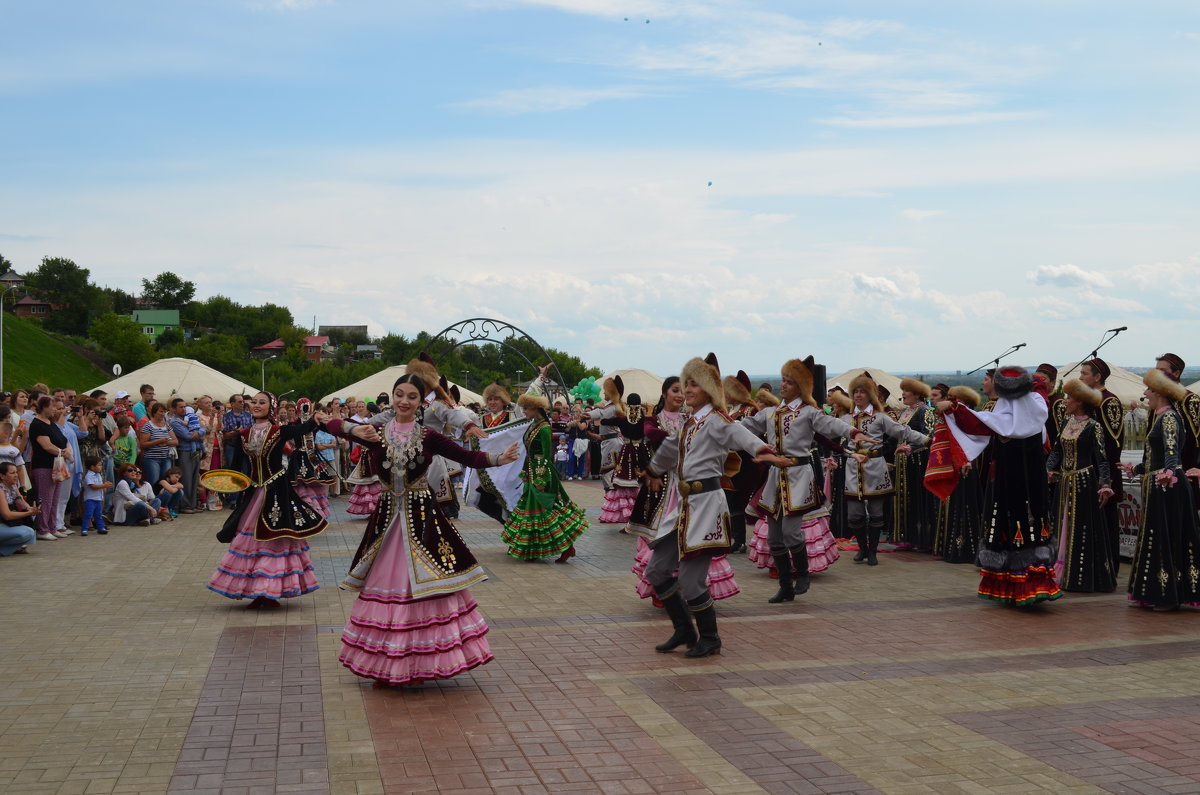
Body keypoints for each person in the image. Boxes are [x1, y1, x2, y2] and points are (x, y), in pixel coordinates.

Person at [323, 373, 520, 686]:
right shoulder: (374, 432)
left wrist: (499, 458)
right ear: (392, 396)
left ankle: (418, 663)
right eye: (399, 394)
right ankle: (384, 662)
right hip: (387, 519)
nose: (404, 401)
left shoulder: (428, 436)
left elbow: (467, 456)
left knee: (424, 587)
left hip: (423, 518)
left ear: (420, 402)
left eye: (411, 396)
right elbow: (327, 424)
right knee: (387, 587)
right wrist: (350, 427)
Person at [643, 354, 778, 658]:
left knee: (691, 581)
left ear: (707, 388)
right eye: (685, 383)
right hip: (684, 507)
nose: (687, 389)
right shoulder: (689, 423)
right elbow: (668, 449)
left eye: (693, 384)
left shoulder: (717, 420)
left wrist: (762, 449)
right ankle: (683, 629)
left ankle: (710, 637)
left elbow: (739, 434)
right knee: (657, 570)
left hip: (705, 508)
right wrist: (652, 470)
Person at [739, 357, 865, 601]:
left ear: (800, 387)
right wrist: (721, 423)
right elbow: (745, 427)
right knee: (774, 536)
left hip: (799, 476)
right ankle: (785, 585)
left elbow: (830, 425)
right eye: (783, 380)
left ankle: (803, 574)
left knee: (791, 532)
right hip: (776, 476)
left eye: (789, 381)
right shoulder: (769, 413)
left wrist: (853, 431)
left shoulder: (809, 412)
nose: (783, 385)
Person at [938, 366, 1060, 607]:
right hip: (1028, 483)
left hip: (1011, 481)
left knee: (1016, 526)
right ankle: (1025, 587)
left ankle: (1020, 588)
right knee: (1028, 526)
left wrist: (952, 408)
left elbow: (975, 423)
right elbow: (1038, 390)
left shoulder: (1008, 414)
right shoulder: (1036, 407)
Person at [206, 392, 328, 609]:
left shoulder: (278, 431)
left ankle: (269, 593)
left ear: (270, 408)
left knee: (273, 539)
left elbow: (300, 429)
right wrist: (226, 483)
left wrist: (313, 420)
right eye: (254, 402)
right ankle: (256, 592)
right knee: (250, 540)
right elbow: (236, 466)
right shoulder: (244, 434)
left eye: (262, 403)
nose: (256, 405)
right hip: (254, 493)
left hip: (276, 491)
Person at [1125, 369, 1200, 611]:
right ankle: (1156, 591)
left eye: (1149, 389)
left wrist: (1168, 474)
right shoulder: (1160, 416)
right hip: (1161, 482)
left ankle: (1168, 595)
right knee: (1157, 537)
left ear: (1160, 392)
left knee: (1166, 537)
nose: (1145, 392)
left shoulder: (1168, 418)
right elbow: (1154, 456)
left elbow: (1170, 451)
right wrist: (1136, 469)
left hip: (1167, 486)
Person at [842, 373, 930, 566]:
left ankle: (872, 552)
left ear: (870, 395)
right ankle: (863, 548)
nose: (858, 395)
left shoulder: (880, 417)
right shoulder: (847, 418)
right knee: (854, 514)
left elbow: (902, 431)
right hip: (853, 468)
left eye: (862, 391)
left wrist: (925, 439)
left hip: (875, 467)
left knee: (875, 512)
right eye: (855, 391)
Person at [500, 388, 588, 562]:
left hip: (543, 474)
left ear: (535, 409)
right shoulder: (534, 425)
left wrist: (540, 478)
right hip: (533, 472)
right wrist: (526, 471)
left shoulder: (544, 428)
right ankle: (530, 547)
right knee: (532, 511)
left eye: (526, 408)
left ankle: (567, 547)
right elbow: (530, 452)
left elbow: (545, 456)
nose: (524, 411)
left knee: (548, 512)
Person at [1046, 379, 1116, 592]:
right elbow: (1057, 451)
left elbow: (1102, 459)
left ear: (1080, 402)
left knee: (1081, 528)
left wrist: (1105, 484)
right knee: (1062, 524)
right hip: (1065, 482)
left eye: (1070, 399)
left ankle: (1080, 576)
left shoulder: (1094, 427)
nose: (1066, 402)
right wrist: (1049, 468)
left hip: (1083, 482)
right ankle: (1062, 572)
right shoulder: (1067, 423)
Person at [932, 386, 984, 564]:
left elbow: (970, 441)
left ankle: (963, 549)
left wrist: (965, 460)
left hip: (965, 465)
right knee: (954, 504)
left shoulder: (965, 417)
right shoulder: (952, 417)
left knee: (964, 505)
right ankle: (951, 547)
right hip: (954, 464)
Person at [892, 378, 938, 552]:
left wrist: (910, 447)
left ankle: (923, 540)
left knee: (918, 499)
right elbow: (894, 436)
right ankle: (907, 538)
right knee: (905, 499)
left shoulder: (925, 411)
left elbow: (928, 436)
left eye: (907, 391)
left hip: (918, 462)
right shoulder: (904, 412)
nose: (903, 394)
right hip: (903, 463)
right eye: (903, 391)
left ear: (917, 394)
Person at [598, 393, 650, 524]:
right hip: (641, 450)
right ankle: (641, 509)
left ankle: (623, 510)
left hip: (627, 450)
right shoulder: (644, 419)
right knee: (642, 479)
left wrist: (608, 412)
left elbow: (605, 421)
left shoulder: (623, 418)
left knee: (624, 478)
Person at [28, 395, 69, 540]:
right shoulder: (37, 424)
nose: (55, 410)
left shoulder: (50, 423)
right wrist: (62, 452)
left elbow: (62, 440)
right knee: (45, 498)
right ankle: (43, 528)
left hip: (56, 465)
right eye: (53, 407)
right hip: (44, 465)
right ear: (44, 407)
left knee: (55, 498)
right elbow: (46, 445)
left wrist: (66, 450)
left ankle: (52, 526)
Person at [587, 377, 626, 490]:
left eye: (606, 390)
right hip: (609, 442)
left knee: (609, 471)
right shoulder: (612, 407)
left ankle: (612, 498)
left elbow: (602, 413)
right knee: (608, 471)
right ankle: (612, 498)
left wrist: (589, 415)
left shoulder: (612, 408)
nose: (604, 392)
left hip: (612, 444)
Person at [167, 397, 204, 513]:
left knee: (194, 479)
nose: (183, 409)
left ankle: (192, 504)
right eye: (180, 407)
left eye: (184, 406)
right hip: (185, 451)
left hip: (195, 451)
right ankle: (185, 506)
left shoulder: (190, 418)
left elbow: (203, 429)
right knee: (186, 480)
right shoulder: (174, 422)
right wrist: (198, 432)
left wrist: (197, 432)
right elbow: (187, 436)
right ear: (173, 409)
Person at [221, 394, 253, 508]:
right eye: (239, 401)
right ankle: (234, 500)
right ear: (232, 403)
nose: (242, 403)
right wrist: (236, 433)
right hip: (232, 447)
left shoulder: (249, 415)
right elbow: (224, 435)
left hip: (245, 448)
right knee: (234, 472)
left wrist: (244, 432)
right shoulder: (226, 417)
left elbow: (253, 431)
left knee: (246, 472)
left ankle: (246, 498)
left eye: (242, 401)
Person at [137, 401, 178, 490]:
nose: (163, 414)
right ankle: (153, 501)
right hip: (152, 459)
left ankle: (162, 502)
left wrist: (166, 442)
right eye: (160, 411)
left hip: (166, 458)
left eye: (163, 411)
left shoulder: (166, 425)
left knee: (165, 481)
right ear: (154, 413)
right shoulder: (148, 426)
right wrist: (157, 441)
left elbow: (175, 441)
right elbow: (142, 444)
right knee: (153, 481)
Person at [0, 462, 38, 555]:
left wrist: (32, 509)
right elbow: (7, 515)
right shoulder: (0, 490)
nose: (16, 475)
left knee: (32, 518)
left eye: (16, 472)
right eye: (12, 473)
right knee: (28, 532)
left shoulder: (13, 486)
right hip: (2, 523)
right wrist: (28, 513)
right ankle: (4, 550)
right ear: (2, 476)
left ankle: (6, 548)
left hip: (6, 524)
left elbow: (22, 502)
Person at [195, 395, 223, 510]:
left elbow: (221, 428)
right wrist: (211, 418)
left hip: (217, 450)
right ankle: (203, 500)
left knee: (214, 475)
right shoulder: (198, 417)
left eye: (210, 403)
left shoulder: (216, 416)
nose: (209, 405)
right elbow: (207, 430)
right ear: (200, 405)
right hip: (206, 450)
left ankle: (213, 500)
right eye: (206, 403)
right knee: (204, 474)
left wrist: (219, 417)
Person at [80, 456, 112, 536]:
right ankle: (84, 529)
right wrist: (104, 485)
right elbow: (93, 486)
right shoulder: (89, 475)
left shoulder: (98, 475)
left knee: (98, 514)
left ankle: (101, 528)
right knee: (88, 514)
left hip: (98, 499)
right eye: (99, 465)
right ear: (92, 467)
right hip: (90, 499)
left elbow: (99, 485)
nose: (101, 467)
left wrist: (104, 486)